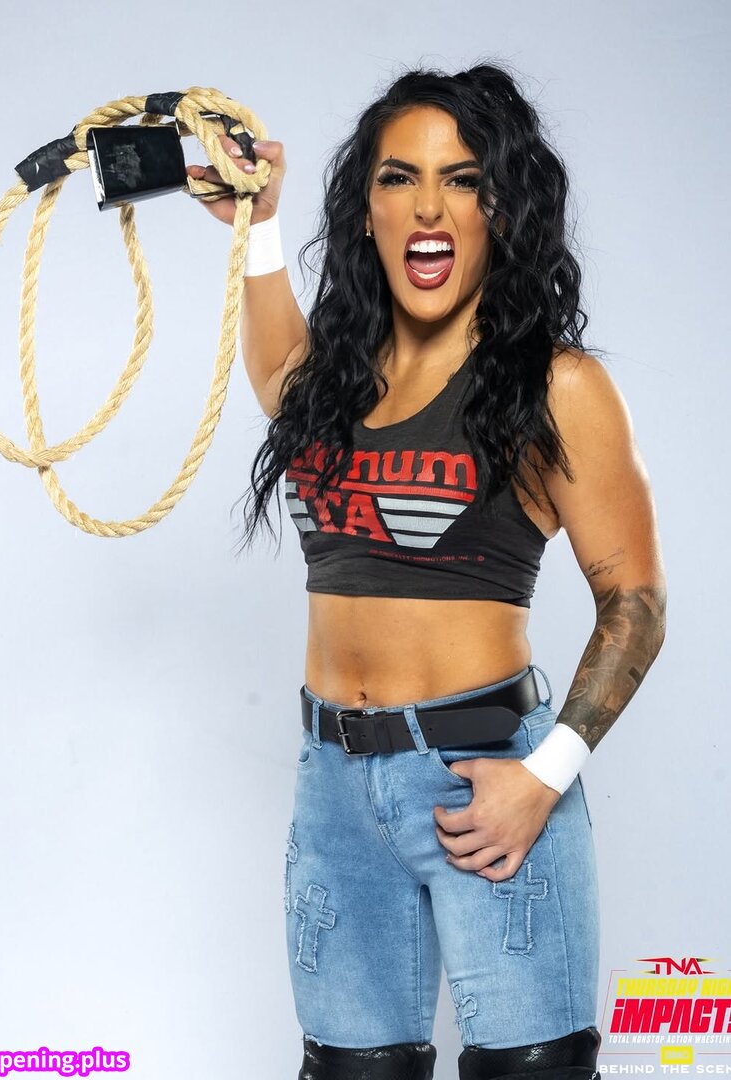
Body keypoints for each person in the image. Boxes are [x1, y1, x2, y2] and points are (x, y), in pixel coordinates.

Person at [188, 62, 666, 1080]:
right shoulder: (331, 385)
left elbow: (634, 602)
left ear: (504, 209)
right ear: (364, 211)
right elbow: (273, 372)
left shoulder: (556, 386)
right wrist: (259, 226)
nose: (428, 207)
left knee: (529, 1068)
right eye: (398, 177)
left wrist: (543, 779)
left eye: (463, 179)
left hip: (482, 780)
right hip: (332, 785)